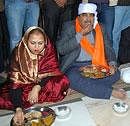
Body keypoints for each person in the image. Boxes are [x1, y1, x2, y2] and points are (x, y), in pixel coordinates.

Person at [56, 3, 126, 100]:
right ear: (79, 16)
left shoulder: (100, 27)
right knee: (71, 77)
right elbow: (61, 49)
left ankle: (81, 86)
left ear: (94, 17)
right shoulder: (69, 27)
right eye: (84, 15)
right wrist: (80, 35)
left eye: (91, 15)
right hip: (75, 66)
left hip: (96, 65)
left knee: (116, 73)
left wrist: (112, 64)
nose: (88, 19)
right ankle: (110, 92)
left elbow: (108, 47)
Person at [0, 26, 69, 112]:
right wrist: (18, 109)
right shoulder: (18, 53)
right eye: (32, 43)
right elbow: (15, 84)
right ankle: (35, 97)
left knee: (63, 80)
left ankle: (36, 95)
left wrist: (37, 87)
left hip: (41, 83)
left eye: (40, 43)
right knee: (11, 99)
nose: (36, 47)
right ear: (26, 41)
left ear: (45, 42)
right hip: (24, 85)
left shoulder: (48, 48)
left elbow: (51, 72)